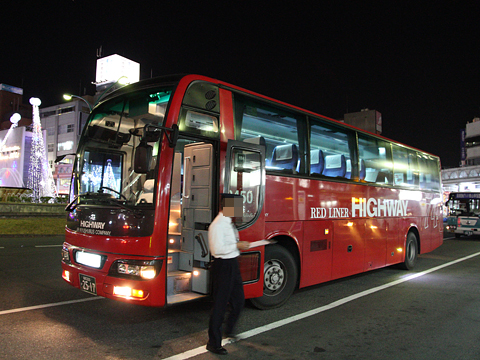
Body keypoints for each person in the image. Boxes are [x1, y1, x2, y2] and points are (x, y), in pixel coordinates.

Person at [206, 194, 250, 355]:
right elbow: (217, 250)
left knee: (239, 300)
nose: (239, 209)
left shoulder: (229, 223)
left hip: (232, 264)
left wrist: (238, 246)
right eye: (237, 206)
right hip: (223, 265)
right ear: (226, 207)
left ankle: (229, 329)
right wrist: (238, 245)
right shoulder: (217, 225)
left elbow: (230, 245)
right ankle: (213, 343)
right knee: (220, 304)